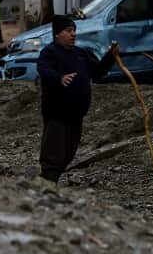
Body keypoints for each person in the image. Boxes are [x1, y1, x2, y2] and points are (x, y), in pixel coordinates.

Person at [36, 15, 119, 183]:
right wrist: (59, 78)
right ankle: (46, 185)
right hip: (57, 113)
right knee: (53, 153)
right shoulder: (49, 52)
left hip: (76, 114)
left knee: (68, 152)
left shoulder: (81, 54)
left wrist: (111, 56)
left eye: (74, 30)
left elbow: (97, 73)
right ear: (57, 34)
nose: (73, 34)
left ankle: (51, 183)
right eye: (68, 31)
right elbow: (44, 70)